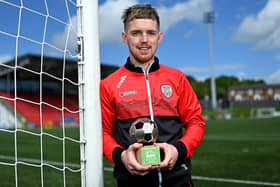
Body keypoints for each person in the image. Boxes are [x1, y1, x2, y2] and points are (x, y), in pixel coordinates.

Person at [100, 4, 205, 187]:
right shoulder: (109, 84)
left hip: (179, 181)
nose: (144, 40)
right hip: (131, 182)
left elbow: (196, 122)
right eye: (136, 33)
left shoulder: (177, 79)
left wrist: (178, 151)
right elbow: (103, 133)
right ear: (125, 38)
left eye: (150, 33)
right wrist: (122, 156)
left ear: (159, 37)